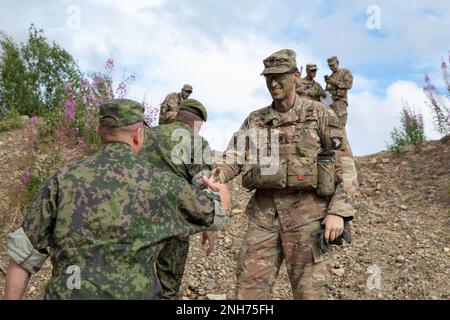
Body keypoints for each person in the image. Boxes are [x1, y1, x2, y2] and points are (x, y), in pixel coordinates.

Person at [3, 99, 230, 300]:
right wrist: (221, 196)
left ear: (100, 131)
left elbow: (22, 253)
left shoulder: (63, 177)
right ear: (138, 134)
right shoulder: (167, 180)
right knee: (166, 285)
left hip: (70, 289)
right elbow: (213, 208)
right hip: (151, 255)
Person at [211, 49, 358, 300]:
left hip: (309, 219)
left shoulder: (320, 114)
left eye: (280, 76)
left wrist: (338, 212)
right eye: (269, 78)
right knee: (248, 291)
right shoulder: (256, 120)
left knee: (310, 293)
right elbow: (234, 158)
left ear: (295, 76)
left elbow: (345, 166)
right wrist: (215, 178)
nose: (274, 83)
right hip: (263, 218)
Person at [141, 98, 216, 299]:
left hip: (139, 219)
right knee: (169, 287)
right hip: (175, 223)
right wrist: (209, 225)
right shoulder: (198, 143)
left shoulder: (148, 135)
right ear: (198, 123)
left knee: (134, 278)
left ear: (178, 115)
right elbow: (204, 185)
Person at [324, 56, 353, 126]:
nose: (331, 67)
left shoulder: (345, 72)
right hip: (330, 105)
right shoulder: (330, 77)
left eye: (332, 65)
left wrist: (334, 82)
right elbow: (327, 91)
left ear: (337, 63)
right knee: (329, 126)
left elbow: (348, 84)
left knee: (339, 125)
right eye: (329, 66)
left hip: (340, 103)